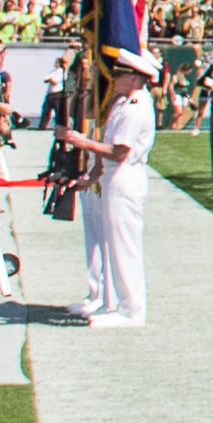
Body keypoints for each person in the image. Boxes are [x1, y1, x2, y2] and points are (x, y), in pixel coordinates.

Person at [72, 42, 158, 330]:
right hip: (114, 175)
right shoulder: (124, 103)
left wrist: (81, 142)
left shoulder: (137, 107)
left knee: (125, 246)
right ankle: (118, 304)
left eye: (120, 74)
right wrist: (93, 175)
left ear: (134, 78)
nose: (114, 79)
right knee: (115, 244)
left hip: (126, 176)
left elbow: (119, 151)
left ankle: (132, 310)